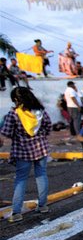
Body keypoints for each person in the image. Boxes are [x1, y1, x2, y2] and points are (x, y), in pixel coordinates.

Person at [0, 87, 52, 223]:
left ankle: (17, 212)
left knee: (21, 179)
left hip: (22, 151)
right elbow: (48, 127)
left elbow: (6, 132)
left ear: (16, 100)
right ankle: (43, 205)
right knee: (41, 175)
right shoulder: (40, 112)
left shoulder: (14, 114)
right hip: (41, 148)